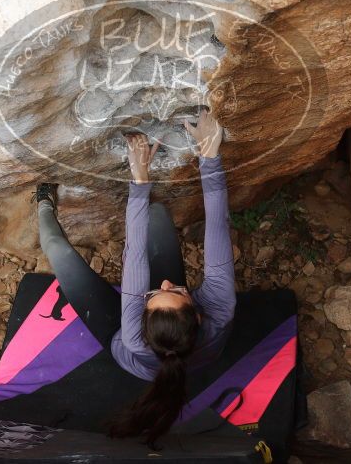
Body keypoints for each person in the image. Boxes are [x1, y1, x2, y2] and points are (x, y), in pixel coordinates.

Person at [34, 109, 235, 446]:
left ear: (142, 315)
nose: (166, 284)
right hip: (171, 336)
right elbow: (218, 225)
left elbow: (136, 254)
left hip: (121, 339)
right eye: (175, 291)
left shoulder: (131, 335)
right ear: (198, 315)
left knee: (57, 248)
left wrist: (140, 178)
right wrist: (210, 154)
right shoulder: (221, 309)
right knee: (156, 216)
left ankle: (42, 204)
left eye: (157, 293)